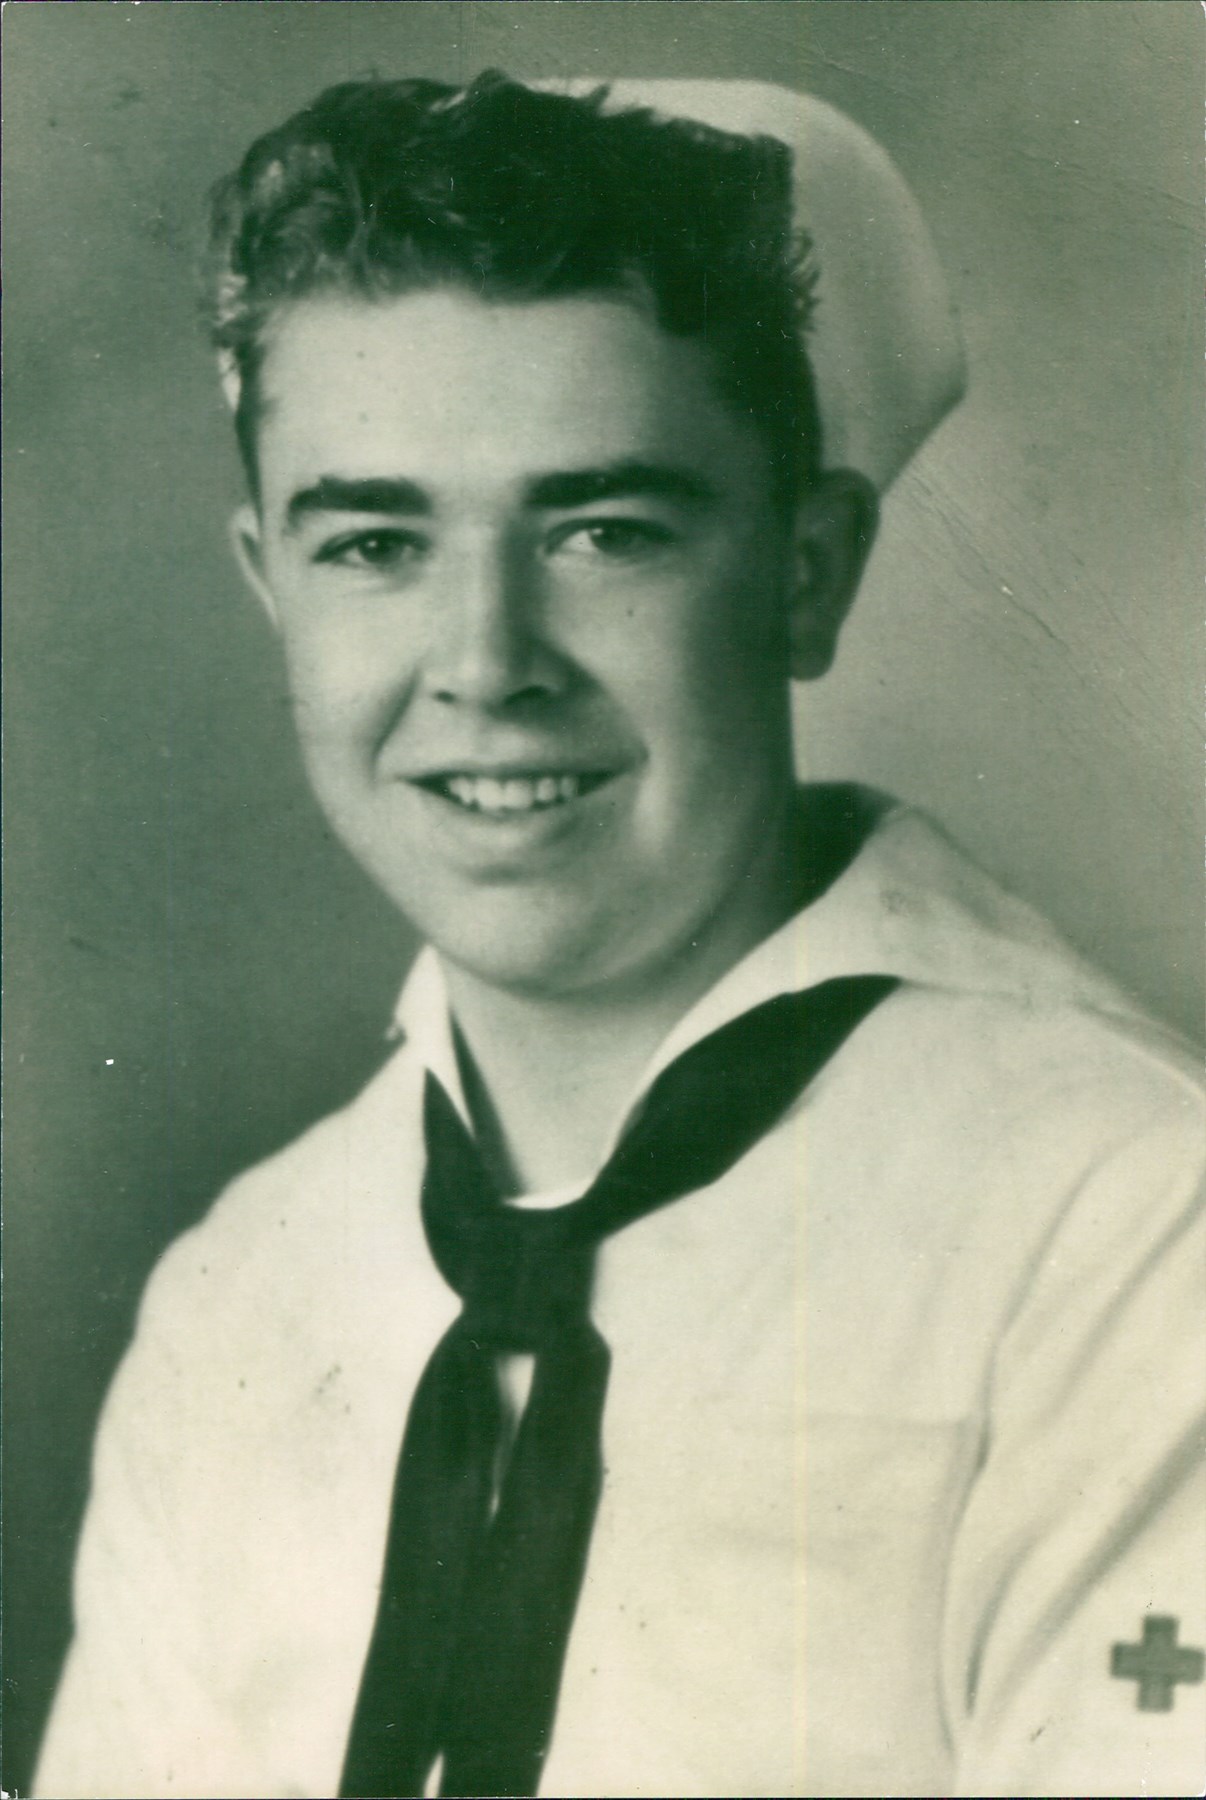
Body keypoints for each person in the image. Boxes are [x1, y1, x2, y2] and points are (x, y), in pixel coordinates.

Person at [33, 72, 1204, 1800]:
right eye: (375, 542)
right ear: (270, 584)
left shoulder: (1122, 1230)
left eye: (602, 532)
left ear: (806, 571)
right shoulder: (243, 1295)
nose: (484, 661)